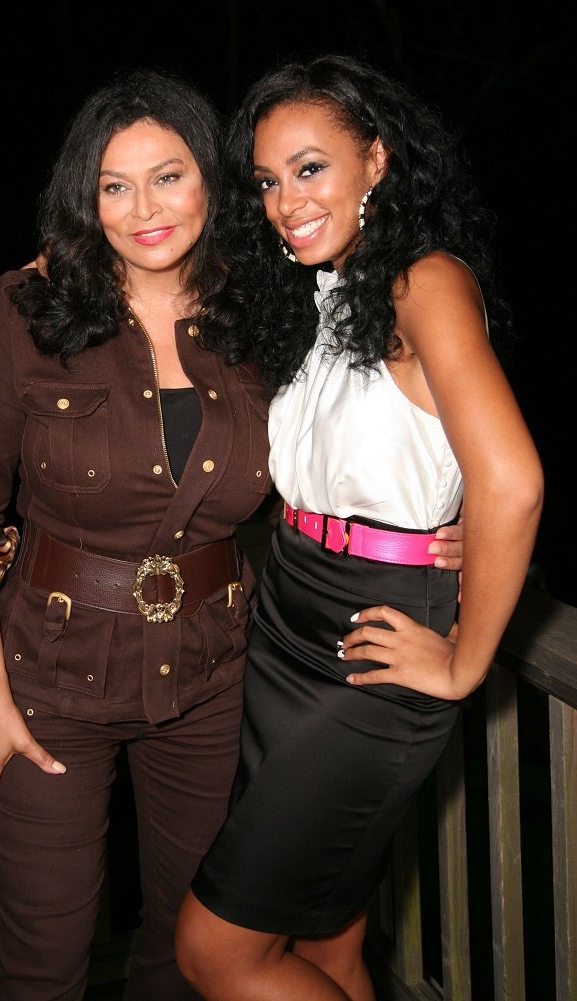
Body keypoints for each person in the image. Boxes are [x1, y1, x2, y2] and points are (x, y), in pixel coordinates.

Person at [0, 64, 464, 1001]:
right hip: (48, 677)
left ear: (211, 178)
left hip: (216, 678)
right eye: (114, 186)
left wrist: (437, 530)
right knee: (43, 962)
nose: (143, 209)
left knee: (183, 956)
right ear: (86, 199)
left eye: (168, 175)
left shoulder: (266, 315)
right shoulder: (28, 313)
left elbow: (349, 435)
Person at [175, 53, 544, 1001]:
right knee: (327, 941)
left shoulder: (424, 281)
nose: (283, 199)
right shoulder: (330, 295)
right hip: (292, 614)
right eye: (265, 180)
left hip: (375, 641)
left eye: (310, 167)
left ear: (376, 161)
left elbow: (514, 479)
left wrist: (464, 658)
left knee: (216, 951)